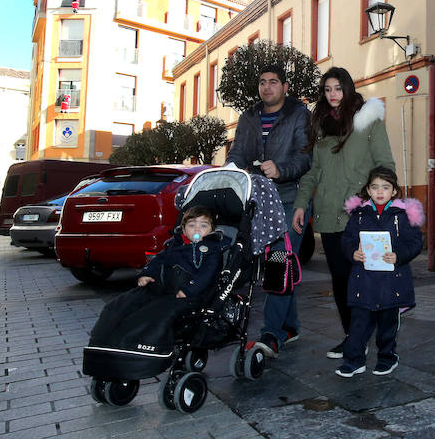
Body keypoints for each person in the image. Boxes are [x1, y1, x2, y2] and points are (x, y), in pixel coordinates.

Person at [293, 67, 395, 360]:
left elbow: (384, 163)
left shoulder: (368, 121)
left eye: (338, 88)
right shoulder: (321, 125)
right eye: (327, 89)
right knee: (340, 278)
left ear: (348, 88)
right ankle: (353, 337)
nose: (333, 94)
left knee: (368, 277)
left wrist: (375, 201)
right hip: (328, 213)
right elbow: (313, 172)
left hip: (361, 214)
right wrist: (302, 203)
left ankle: (381, 340)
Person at [226, 64, 310, 359]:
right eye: (262, 82)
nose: (267, 87)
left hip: (290, 198)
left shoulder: (298, 113)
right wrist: (230, 170)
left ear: (285, 87)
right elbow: (238, 152)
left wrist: (282, 169)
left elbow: (305, 155)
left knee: (278, 262)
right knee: (281, 262)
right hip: (259, 200)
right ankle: (290, 325)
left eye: (273, 82)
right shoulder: (249, 117)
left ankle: (271, 335)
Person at [88, 206, 223, 346]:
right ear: (183, 229)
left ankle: (139, 343)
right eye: (192, 225)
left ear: (212, 230)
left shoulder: (212, 250)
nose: (197, 229)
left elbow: (207, 275)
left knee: (153, 312)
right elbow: (158, 260)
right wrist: (146, 274)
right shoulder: (175, 245)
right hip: (163, 288)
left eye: (203, 225)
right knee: (120, 305)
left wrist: (189, 290)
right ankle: (102, 339)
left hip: (187, 293)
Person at [334, 167, 423, 378]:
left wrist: (399, 255)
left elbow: (415, 242)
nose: (380, 192)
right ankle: (354, 361)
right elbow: (346, 240)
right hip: (363, 281)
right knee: (358, 323)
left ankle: (387, 358)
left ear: (394, 191)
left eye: (385, 187)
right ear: (368, 190)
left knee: (387, 325)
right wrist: (352, 252)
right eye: (375, 187)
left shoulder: (401, 216)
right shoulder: (359, 215)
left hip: (392, 282)